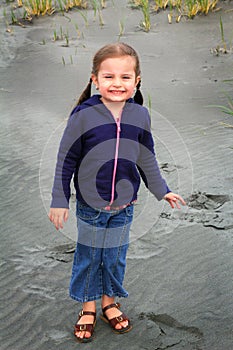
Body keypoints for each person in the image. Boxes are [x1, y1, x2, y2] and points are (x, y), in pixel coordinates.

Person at [48, 42, 186, 343]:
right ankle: (88, 307)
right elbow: (65, 158)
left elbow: (146, 156)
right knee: (88, 256)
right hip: (89, 205)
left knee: (114, 257)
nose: (117, 83)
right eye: (108, 76)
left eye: (125, 77)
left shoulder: (140, 115)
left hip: (125, 205)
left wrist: (162, 190)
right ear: (95, 80)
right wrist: (59, 200)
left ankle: (110, 302)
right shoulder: (83, 116)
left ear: (137, 81)